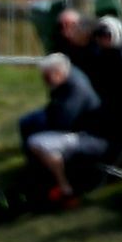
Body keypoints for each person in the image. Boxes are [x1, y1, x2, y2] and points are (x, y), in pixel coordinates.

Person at [18, 53, 109, 207]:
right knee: (26, 122)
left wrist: (44, 122)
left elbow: (63, 121)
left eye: (47, 77)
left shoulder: (76, 89)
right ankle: (37, 169)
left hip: (88, 135)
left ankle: (64, 187)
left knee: (37, 142)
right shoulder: (66, 78)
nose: (45, 81)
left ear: (58, 73)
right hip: (71, 125)